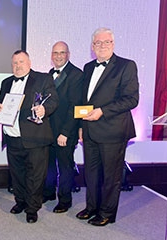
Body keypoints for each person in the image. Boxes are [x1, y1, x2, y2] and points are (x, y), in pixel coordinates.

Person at [76, 28, 139, 226]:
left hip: (113, 130)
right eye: (97, 43)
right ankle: (92, 207)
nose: (102, 46)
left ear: (113, 44)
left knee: (111, 176)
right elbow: (84, 100)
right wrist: (80, 126)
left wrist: (103, 110)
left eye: (106, 42)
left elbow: (132, 99)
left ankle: (106, 213)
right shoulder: (87, 67)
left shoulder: (126, 65)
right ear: (92, 46)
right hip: (89, 130)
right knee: (91, 173)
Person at [0, 50, 59, 223]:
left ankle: (32, 208)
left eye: (21, 62)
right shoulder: (6, 82)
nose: (18, 66)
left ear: (29, 63)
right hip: (12, 136)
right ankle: (20, 202)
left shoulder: (43, 78)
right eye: (14, 63)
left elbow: (53, 101)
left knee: (36, 175)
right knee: (17, 174)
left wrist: (44, 110)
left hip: (35, 137)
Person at [43, 41, 83, 213]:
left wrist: (65, 132)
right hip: (48, 131)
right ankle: (49, 192)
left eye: (62, 52)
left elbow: (75, 106)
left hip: (65, 131)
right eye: (55, 53)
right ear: (52, 56)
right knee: (49, 164)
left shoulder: (76, 75)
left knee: (65, 166)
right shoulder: (50, 74)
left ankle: (65, 200)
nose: (58, 56)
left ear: (68, 54)